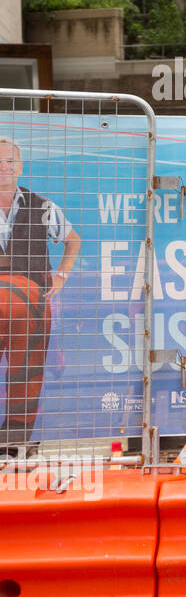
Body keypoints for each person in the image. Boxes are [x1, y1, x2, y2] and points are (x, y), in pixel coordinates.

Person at [0, 137, 80, 448]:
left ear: (19, 167)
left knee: (27, 374)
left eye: (9, 161)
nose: (3, 167)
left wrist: (60, 275)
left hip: (30, 307)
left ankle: (15, 445)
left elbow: (74, 241)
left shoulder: (43, 207)